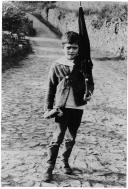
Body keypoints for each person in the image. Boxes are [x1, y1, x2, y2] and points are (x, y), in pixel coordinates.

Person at [43, 31, 94, 182]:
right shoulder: (57, 65)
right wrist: (48, 108)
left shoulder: (83, 65)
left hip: (77, 108)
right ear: (63, 48)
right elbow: (50, 88)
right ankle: (49, 167)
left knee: (71, 138)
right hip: (61, 109)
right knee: (56, 138)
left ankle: (65, 161)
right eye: (68, 47)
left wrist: (89, 92)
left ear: (79, 49)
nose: (71, 50)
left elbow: (90, 83)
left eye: (75, 48)